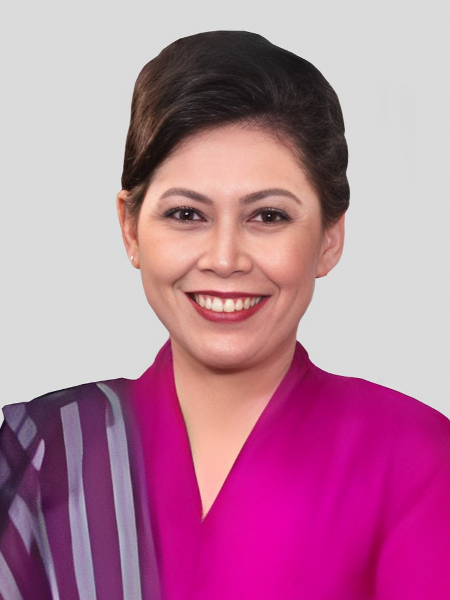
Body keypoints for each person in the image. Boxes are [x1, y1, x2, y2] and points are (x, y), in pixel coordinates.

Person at [1, 30, 449, 600]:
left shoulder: (414, 457)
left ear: (330, 238)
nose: (224, 259)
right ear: (130, 229)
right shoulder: (41, 449)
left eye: (268, 216)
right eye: (187, 214)